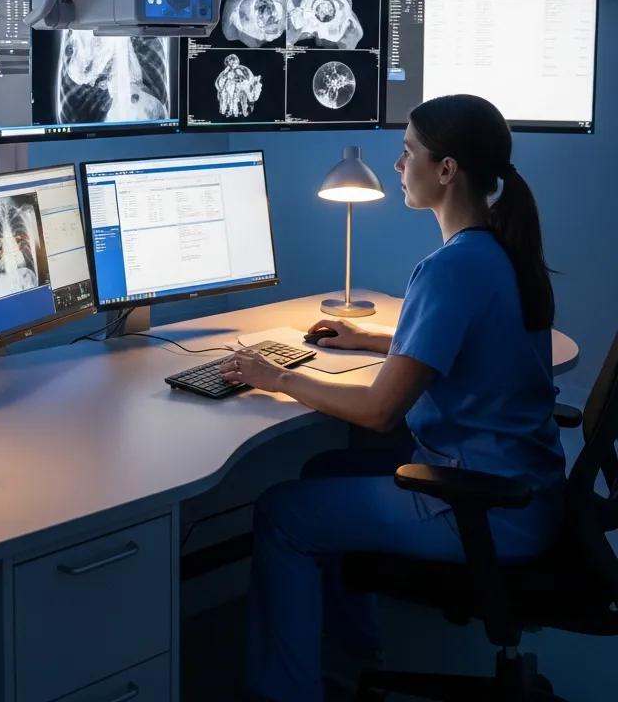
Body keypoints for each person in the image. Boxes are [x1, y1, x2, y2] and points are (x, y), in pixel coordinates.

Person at [218, 94, 565, 702]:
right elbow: (468, 343)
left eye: (408, 152)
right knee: (325, 469)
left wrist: (277, 377)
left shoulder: (452, 268)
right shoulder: (498, 250)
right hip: (527, 489)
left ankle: (287, 692)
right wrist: (374, 337)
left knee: (281, 514)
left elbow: (380, 412)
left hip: (480, 505)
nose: (399, 165)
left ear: (446, 169)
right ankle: (354, 657)